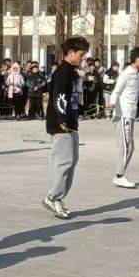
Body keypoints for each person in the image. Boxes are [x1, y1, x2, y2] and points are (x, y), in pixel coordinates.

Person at [43, 36, 89, 219]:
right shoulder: (63, 71)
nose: (82, 58)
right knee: (64, 161)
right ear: (70, 53)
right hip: (61, 123)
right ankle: (52, 197)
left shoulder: (72, 71)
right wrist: (62, 117)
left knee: (72, 160)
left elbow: (73, 97)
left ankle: (58, 197)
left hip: (71, 121)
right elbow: (58, 95)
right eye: (81, 54)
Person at [108, 46, 139, 188]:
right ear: (138, 59)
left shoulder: (136, 74)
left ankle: (119, 174)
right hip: (123, 115)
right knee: (126, 146)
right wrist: (112, 104)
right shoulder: (126, 74)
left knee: (129, 146)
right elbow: (116, 91)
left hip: (130, 115)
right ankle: (119, 176)